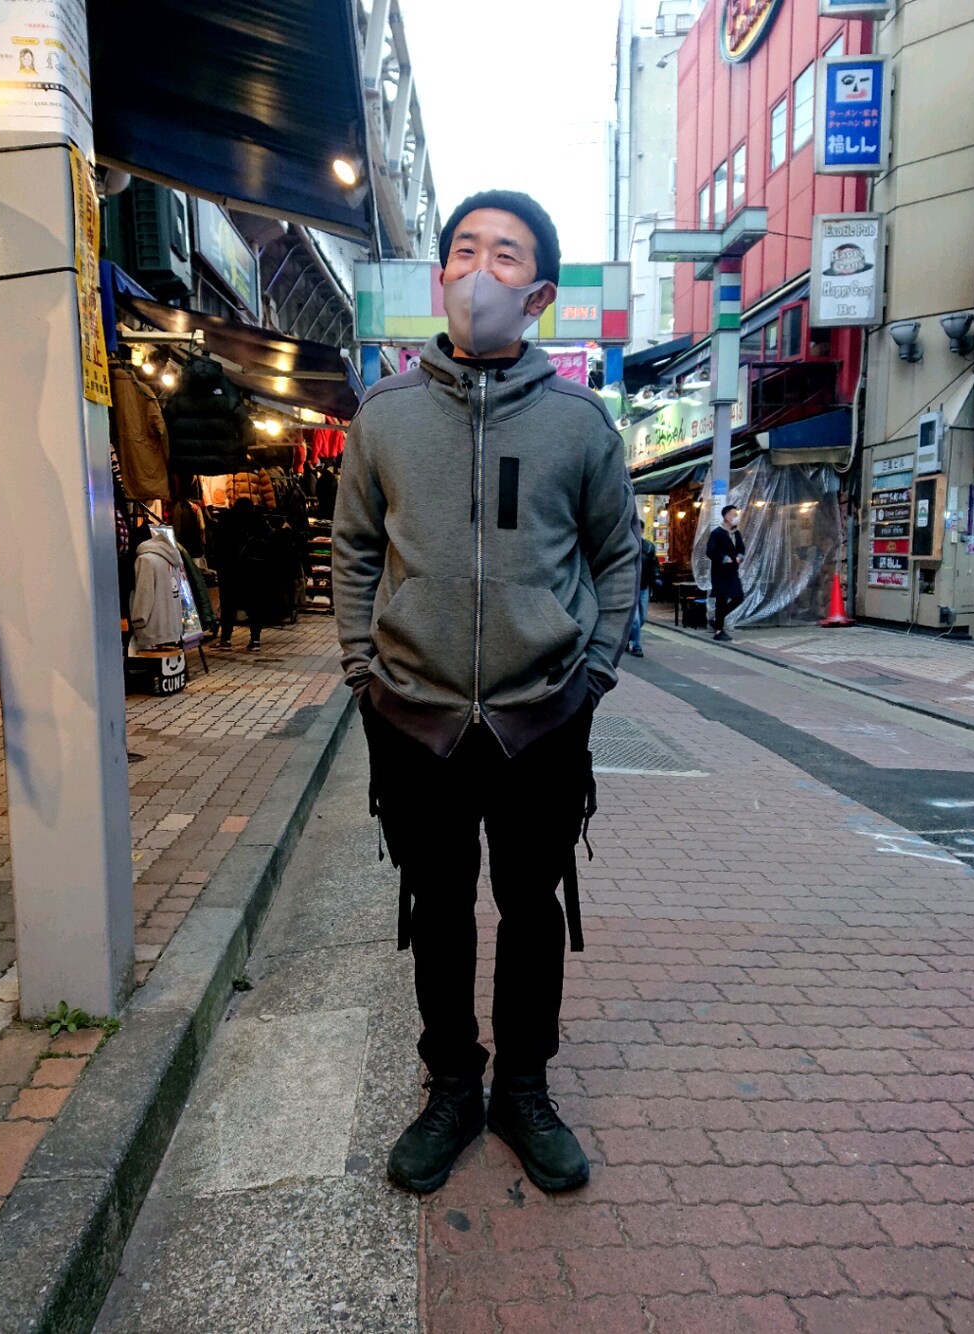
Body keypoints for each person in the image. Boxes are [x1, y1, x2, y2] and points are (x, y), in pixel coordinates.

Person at [334, 189, 640, 1197]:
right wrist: (362, 670)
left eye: (504, 255)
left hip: (540, 717)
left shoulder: (579, 422)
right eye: (464, 251)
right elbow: (354, 549)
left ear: (539, 294)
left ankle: (523, 1087)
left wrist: (591, 675)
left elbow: (617, 557)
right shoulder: (383, 415)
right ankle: (453, 1086)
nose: (479, 271)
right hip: (412, 714)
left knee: (530, 907)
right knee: (438, 908)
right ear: (440, 278)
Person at [213, 497, 271, 651]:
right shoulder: (258, 519)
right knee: (254, 605)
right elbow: (269, 539)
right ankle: (255, 640)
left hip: (230, 569)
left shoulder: (227, 519)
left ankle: (226, 639)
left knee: (228, 605)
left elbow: (218, 543)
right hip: (254, 570)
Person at [706, 503, 745, 642]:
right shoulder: (717, 533)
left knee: (739, 597)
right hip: (720, 572)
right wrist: (724, 558)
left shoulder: (736, 533)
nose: (737, 517)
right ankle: (718, 631)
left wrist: (740, 556)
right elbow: (710, 551)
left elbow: (741, 548)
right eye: (734, 514)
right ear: (727, 517)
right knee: (721, 599)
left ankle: (717, 619)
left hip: (733, 571)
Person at [626, 534, 657, 657]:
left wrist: (657, 576)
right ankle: (636, 646)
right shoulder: (627, 545)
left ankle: (628, 636)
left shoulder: (648, 547)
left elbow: (654, 563)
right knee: (635, 619)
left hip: (644, 586)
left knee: (642, 617)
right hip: (631, 586)